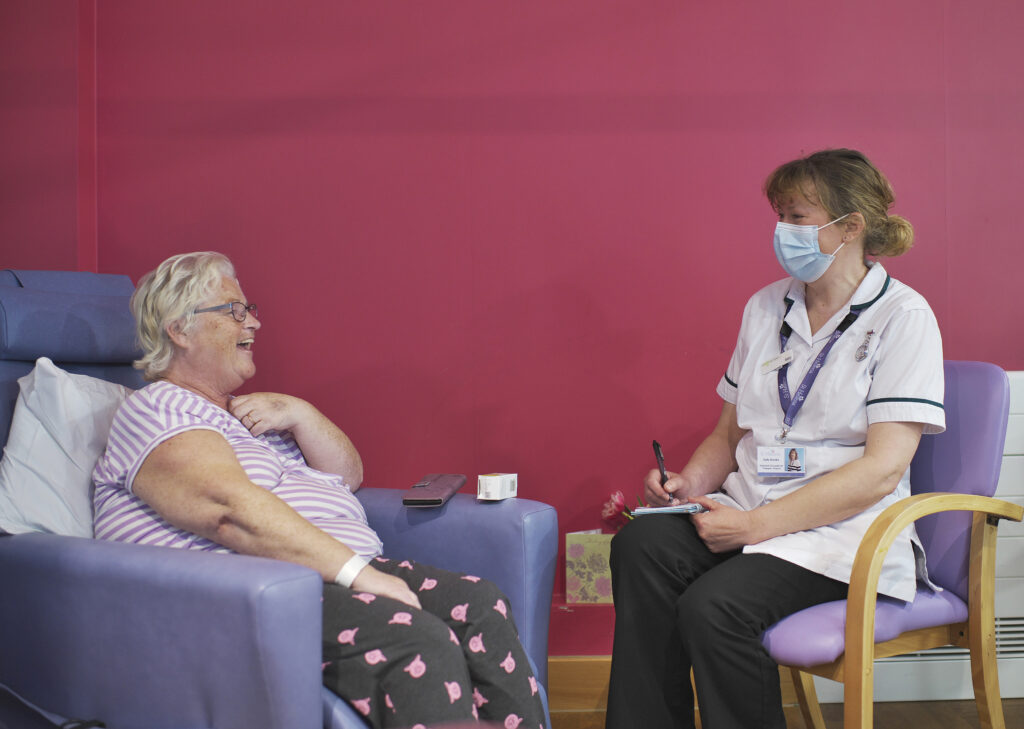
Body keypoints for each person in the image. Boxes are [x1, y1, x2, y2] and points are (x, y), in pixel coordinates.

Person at [92, 252, 546, 729]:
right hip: (247, 591)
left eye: (250, 309)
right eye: (235, 311)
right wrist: (361, 575)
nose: (255, 323)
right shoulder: (160, 408)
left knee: (481, 605)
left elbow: (347, 477)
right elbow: (227, 510)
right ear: (179, 330)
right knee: (420, 640)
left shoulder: (248, 418)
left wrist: (300, 412)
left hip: (319, 576)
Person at [606, 149, 944, 729]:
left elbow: (883, 471)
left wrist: (757, 527)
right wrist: (688, 483)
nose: (782, 232)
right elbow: (729, 432)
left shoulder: (903, 317)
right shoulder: (766, 307)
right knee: (640, 548)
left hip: (838, 531)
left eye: (797, 218)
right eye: (780, 217)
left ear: (850, 226)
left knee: (716, 609)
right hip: (749, 509)